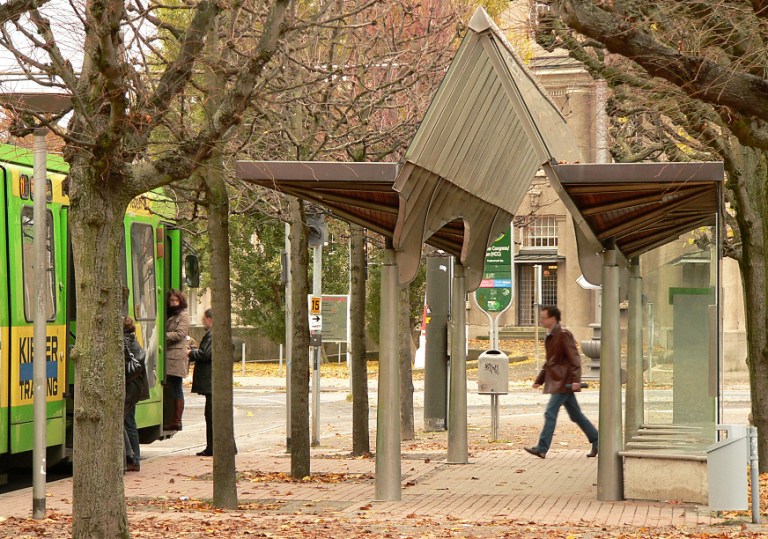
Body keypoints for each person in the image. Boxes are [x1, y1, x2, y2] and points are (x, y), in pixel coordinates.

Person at [524, 305, 598, 459]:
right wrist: (540, 379)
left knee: (550, 412)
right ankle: (597, 439)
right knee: (575, 415)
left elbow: (575, 358)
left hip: (563, 381)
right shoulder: (550, 335)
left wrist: (576, 380)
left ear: (553, 318)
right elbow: (550, 360)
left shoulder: (563, 334)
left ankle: (542, 448)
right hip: (559, 380)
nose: (541, 320)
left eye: (544, 317)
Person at [124, 316, 149, 471]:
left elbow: (133, 367)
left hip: (129, 390)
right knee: (129, 423)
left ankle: (131, 457)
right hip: (134, 390)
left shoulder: (126, 342)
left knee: (125, 423)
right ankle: (134, 458)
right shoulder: (132, 340)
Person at [188, 309, 213, 456]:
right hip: (210, 382)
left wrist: (191, 353)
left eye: (203, 319)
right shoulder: (213, 335)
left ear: (210, 319)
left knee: (211, 416)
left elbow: (205, 354)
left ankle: (213, 447)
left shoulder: (211, 335)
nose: (202, 322)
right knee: (210, 415)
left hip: (210, 382)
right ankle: (214, 447)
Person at [164, 289, 190, 430]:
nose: (173, 303)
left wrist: (163, 335)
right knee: (172, 388)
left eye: (175, 301)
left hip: (176, 357)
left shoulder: (183, 316)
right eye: (171, 301)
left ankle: (177, 420)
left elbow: (180, 334)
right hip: (169, 356)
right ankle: (173, 418)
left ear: (180, 301)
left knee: (176, 388)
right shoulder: (171, 315)